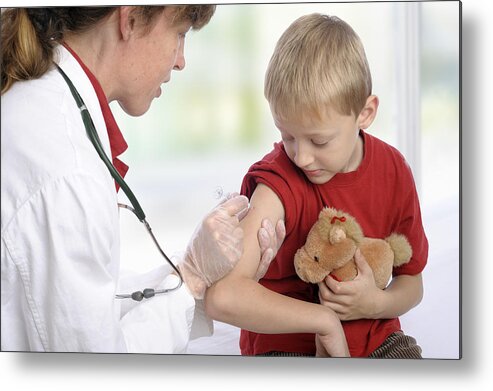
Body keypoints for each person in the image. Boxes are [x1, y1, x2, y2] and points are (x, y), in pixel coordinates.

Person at [0, 6, 286, 353]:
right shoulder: (66, 171)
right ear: (130, 19)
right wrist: (192, 279)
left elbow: (90, 303)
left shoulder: (50, 108)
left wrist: (196, 272)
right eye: (180, 34)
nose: (181, 61)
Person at [205, 13, 428, 358]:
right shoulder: (278, 184)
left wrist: (374, 303)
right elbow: (223, 296)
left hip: (377, 339)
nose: (302, 157)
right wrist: (323, 320)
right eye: (287, 136)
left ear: (365, 113)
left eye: (319, 141)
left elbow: (412, 284)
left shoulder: (394, 170)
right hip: (289, 348)